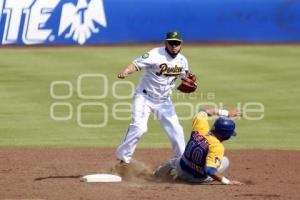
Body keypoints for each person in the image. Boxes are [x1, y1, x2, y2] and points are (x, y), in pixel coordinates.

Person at [115, 31, 191, 165]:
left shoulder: (182, 60)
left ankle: (180, 164)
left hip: (164, 101)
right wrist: (126, 71)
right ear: (166, 43)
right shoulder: (155, 54)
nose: (174, 46)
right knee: (139, 127)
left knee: (176, 130)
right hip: (144, 97)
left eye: (177, 43)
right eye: (171, 43)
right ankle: (123, 160)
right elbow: (136, 64)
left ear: (181, 44)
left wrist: (190, 80)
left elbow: (185, 76)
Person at [154, 107, 244, 185]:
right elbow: (209, 170)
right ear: (226, 135)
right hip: (195, 179)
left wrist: (227, 113)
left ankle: (157, 173)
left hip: (180, 168)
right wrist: (227, 181)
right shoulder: (217, 147)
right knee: (225, 161)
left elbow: (203, 111)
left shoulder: (201, 127)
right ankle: (207, 178)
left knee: (175, 160)